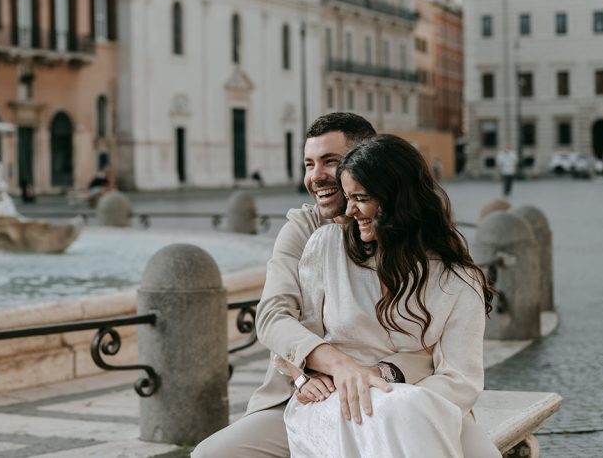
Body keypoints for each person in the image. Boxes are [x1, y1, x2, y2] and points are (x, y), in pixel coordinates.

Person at [193, 114, 498, 458]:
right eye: (308, 164)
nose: (316, 177)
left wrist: (379, 379)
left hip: (415, 397)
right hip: (318, 391)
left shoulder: (454, 278)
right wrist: (319, 371)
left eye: (330, 162)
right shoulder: (314, 236)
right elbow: (276, 319)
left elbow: (451, 369)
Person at [281, 135, 498, 457]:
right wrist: (303, 379)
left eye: (361, 198)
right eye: (348, 197)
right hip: (335, 402)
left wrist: (390, 390)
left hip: (423, 405)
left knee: (418, 419)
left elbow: (461, 381)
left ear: (398, 199)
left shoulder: (458, 280)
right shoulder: (327, 247)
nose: (350, 210)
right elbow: (297, 335)